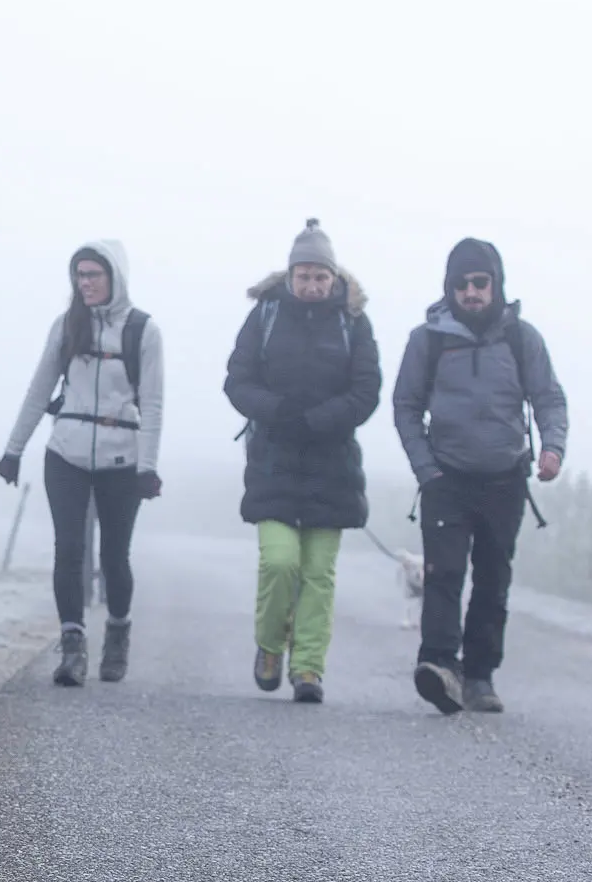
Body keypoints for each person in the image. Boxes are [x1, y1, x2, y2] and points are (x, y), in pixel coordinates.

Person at [393, 238, 568, 714]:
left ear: (496, 285)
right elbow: (406, 407)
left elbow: (549, 398)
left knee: (493, 579)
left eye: (480, 283)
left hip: (505, 479)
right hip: (445, 478)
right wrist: (426, 469)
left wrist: (552, 448)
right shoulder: (426, 340)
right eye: (461, 284)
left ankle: (480, 676)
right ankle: (440, 667)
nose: (471, 292)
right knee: (444, 574)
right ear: (448, 287)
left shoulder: (521, 338)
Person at [222, 219, 382, 704]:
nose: (312, 285)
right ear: (290, 276)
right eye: (304, 276)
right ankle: (270, 647)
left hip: (332, 465)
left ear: (334, 278)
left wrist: (322, 419)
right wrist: (278, 412)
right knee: (279, 563)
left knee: (318, 573)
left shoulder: (353, 321)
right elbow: (237, 379)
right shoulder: (265, 315)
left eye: (321, 277)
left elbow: (367, 390)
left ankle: (308, 667)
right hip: (273, 459)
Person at [0, 241, 164, 686]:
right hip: (66, 452)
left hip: (122, 457)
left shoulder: (142, 331)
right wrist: (14, 449)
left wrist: (147, 466)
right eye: (80, 275)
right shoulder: (66, 326)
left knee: (114, 555)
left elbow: (152, 403)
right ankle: (72, 647)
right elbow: (39, 390)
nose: (85, 282)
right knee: (69, 550)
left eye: (94, 274)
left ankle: (117, 630)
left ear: (115, 277)